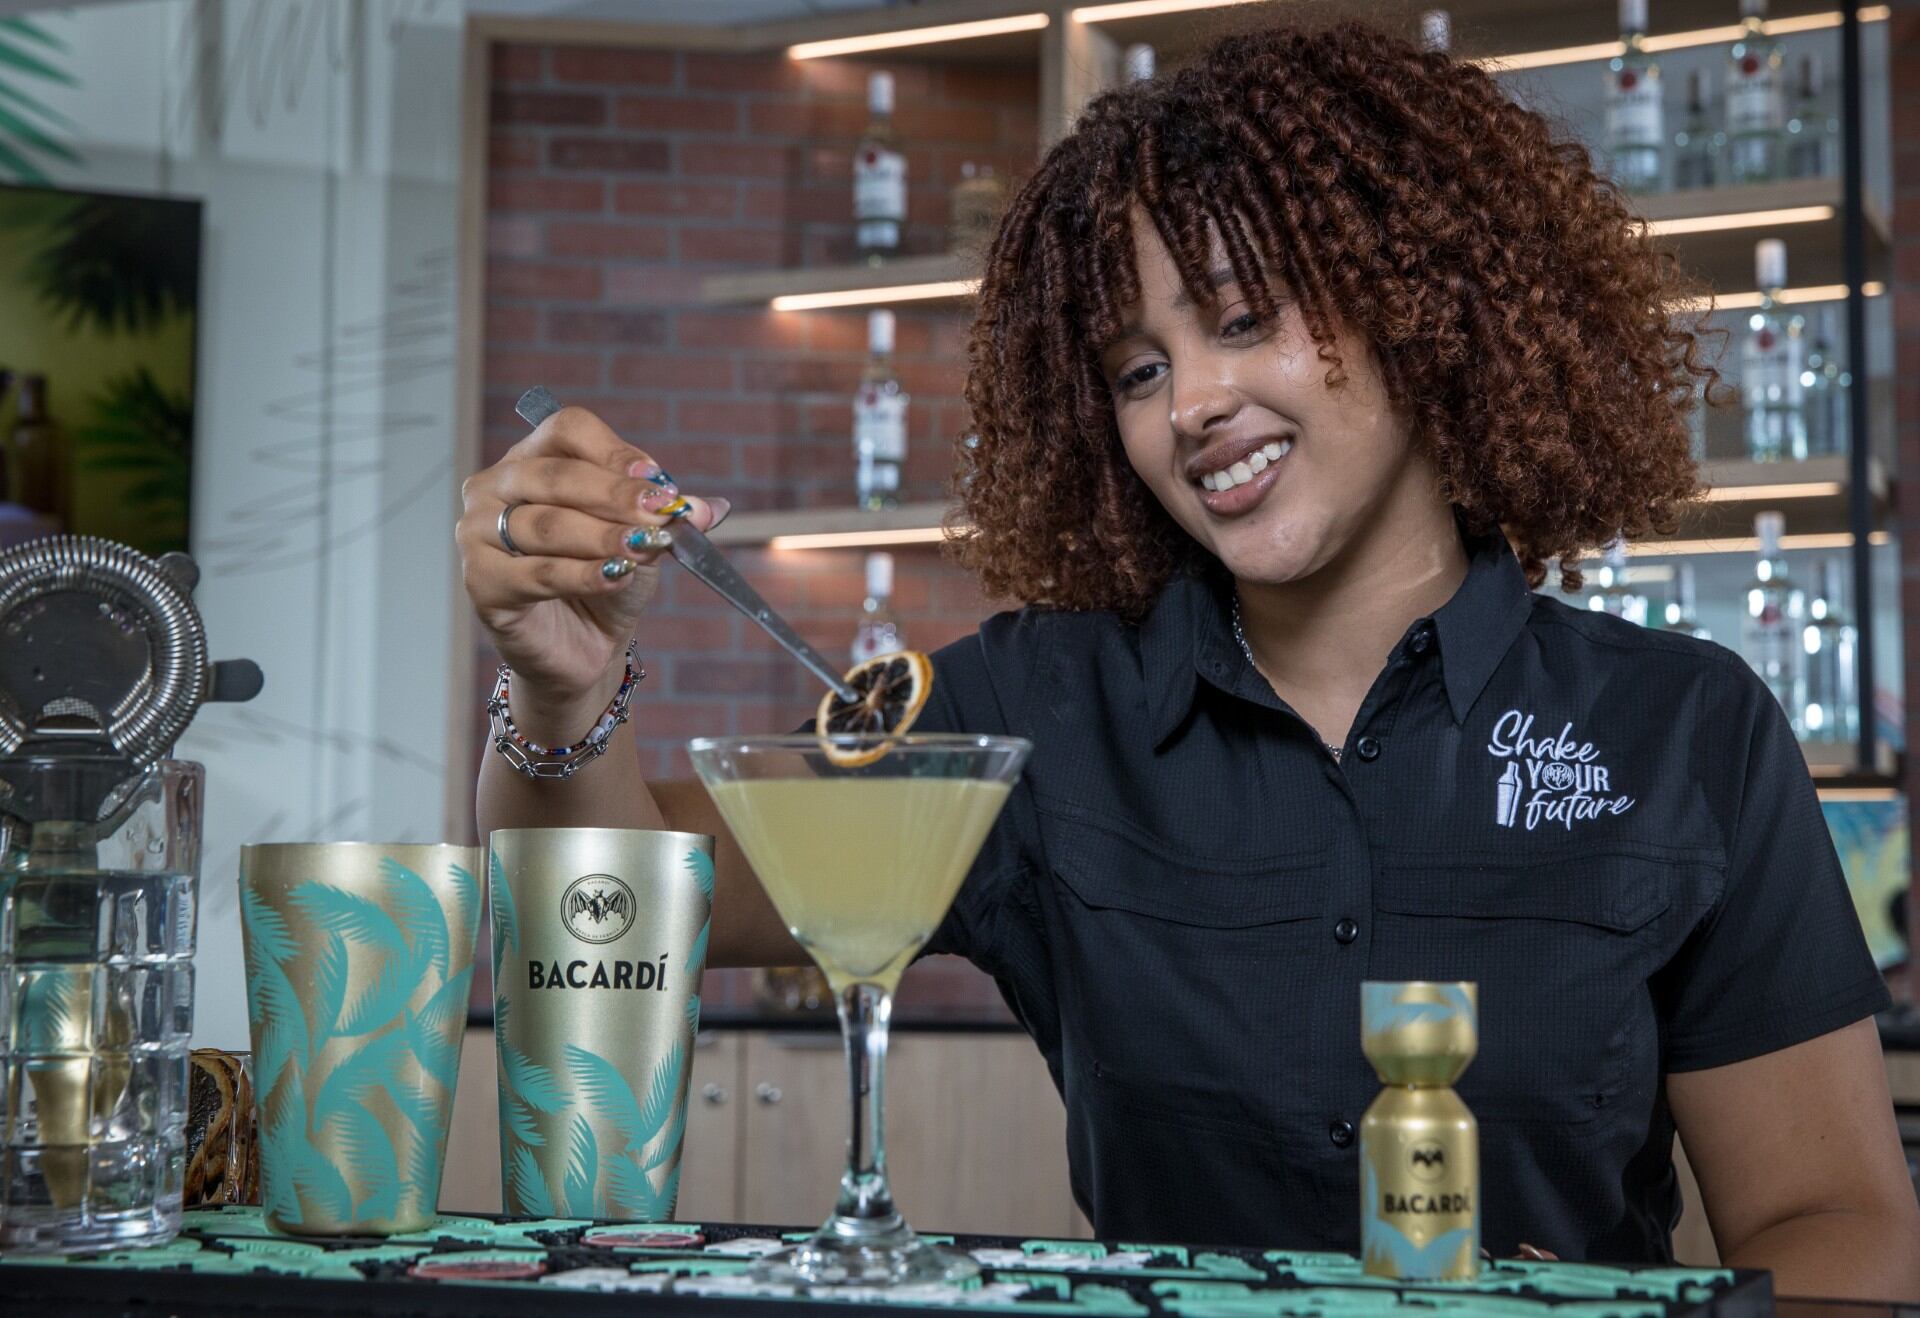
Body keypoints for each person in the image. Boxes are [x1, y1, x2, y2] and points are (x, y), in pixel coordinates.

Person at [458, 20, 1920, 1296]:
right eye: (1139, 369)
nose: (1193, 405)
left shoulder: (1684, 731)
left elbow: (1838, 1222)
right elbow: (611, 919)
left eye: (1244, 318)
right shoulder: (1033, 711)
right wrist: (561, 683)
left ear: (1417, 304)